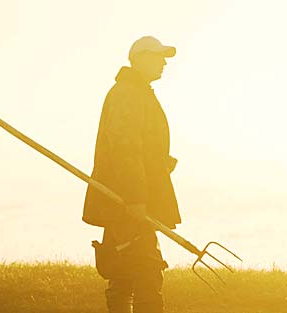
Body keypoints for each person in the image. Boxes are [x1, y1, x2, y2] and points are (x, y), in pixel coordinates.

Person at [83, 36, 182, 313]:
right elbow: (125, 150)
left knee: (123, 270)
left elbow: (139, 144)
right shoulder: (127, 93)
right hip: (127, 201)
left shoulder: (136, 91)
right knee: (147, 270)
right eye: (157, 56)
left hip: (127, 198)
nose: (163, 62)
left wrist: (160, 163)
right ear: (139, 59)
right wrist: (136, 198)